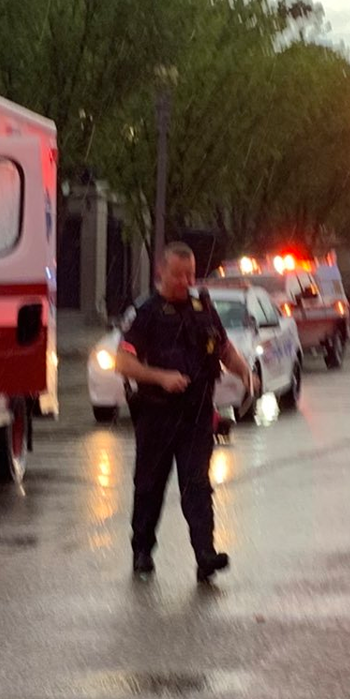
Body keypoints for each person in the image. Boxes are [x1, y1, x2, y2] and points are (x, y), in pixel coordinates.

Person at [111, 243, 256, 583]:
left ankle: (205, 554)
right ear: (161, 272)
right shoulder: (145, 313)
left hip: (196, 414)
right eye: (178, 275)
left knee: (197, 485)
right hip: (157, 414)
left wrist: (245, 373)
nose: (185, 281)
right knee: (149, 486)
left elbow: (224, 349)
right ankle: (142, 550)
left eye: (190, 274)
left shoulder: (202, 308)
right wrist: (161, 377)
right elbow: (123, 362)